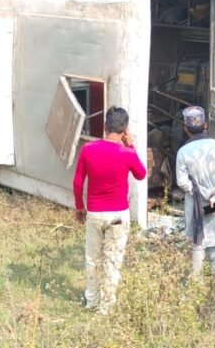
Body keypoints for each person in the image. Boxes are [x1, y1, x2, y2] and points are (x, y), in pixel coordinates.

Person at [72, 107, 147, 314]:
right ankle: (106, 307)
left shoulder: (88, 149)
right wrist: (131, 145)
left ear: (105, 126)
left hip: (95, 213)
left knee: (93, 259)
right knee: (112, 261)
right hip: (118, 215)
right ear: (125, 129)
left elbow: (78, 182)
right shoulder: (127, 153)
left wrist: (79, 207)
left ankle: (92, 301)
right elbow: (141, 174)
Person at [175, 106, 215, 276]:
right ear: (205, 125)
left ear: (186, 129)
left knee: (198, 240)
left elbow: (182, 182)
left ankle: (197, 281)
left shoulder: (183, 152)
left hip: (195, 203)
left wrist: (196, 191)